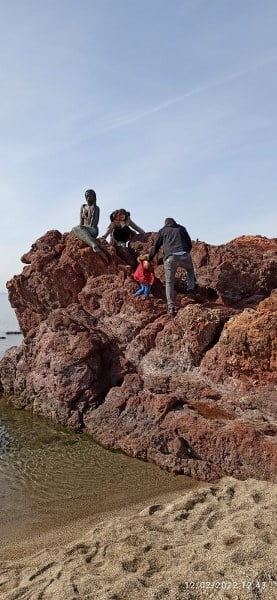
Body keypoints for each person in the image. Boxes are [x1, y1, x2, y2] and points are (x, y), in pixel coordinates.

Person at [148, 217, 195, 316]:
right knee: (190, 270)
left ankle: (171, 307)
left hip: (170, 258)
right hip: (184, 255)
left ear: (165, 223)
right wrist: (185, 252)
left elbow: (156, 247)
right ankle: (190, 289)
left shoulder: (162, 231)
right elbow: (189, 243)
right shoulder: (181, 228)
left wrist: (149, 258)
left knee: (169, 282)